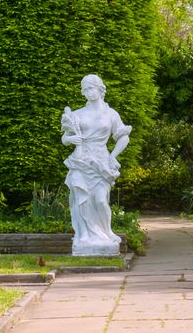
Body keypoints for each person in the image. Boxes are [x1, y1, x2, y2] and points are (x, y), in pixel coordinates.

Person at [61, 74, 131, 255]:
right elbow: (64, 138)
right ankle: (83, 236)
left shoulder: (111, 114)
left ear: (100, 89)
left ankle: (106, 232)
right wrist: (70, 139)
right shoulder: (77, 114)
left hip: (101, 161)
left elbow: (123, 136)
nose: (87, 92)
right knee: (81, 200)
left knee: (100, 200)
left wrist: (113, 156)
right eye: (84, 89)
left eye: (90, 88)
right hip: (80, 160)